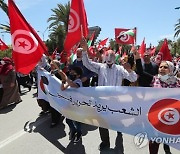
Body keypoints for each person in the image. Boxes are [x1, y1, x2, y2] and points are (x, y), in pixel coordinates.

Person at [80, 38, 137, 153]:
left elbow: (133, 78)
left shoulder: (120, 69)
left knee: (116, 121)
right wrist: (85, 50)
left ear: (114, 58)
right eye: (108, 56)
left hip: (116, 102)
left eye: (111, 56)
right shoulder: (100, 67)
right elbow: (87, 63)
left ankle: (119, 131)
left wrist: (130, 70)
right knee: (102, 123)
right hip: (102, 102)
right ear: (105, 57)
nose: (109, 58)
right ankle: (105, 141)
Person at [134, 51, 179, 154]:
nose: (162, 69)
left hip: (171, 117)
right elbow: (141, 72)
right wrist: (137, 58)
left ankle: (166, 147)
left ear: (171, 69)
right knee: (154, 142)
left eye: (165, 67)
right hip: (155, 116)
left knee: (168, 137)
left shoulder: (177, 82)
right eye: (160, 67)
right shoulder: (154, 79)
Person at [60, 66, 83, 143]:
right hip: (70, 104)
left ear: (78, 75)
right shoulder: (70, 81)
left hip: (77, 105)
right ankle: (73, 131)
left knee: (77, 121)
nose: (71, 74)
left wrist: (66, 77)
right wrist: (63, 81)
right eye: (71, 72)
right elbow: (63, 88)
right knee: (68, 120)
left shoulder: (78, 81)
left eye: (73, 73)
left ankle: (79, 133)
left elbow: (74, 85)